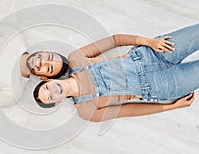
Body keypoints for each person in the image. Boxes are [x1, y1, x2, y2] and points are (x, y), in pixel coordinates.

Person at [33, 24, 198, 122]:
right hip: (163, 85)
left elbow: (115, 40)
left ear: (49, 80)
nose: (52, 91)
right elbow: (131, 110)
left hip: (153, 53)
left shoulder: (76, 59)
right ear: (56, 103)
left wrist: (149, 42)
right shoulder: (87, 111)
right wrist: (172, 106)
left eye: (47, 88)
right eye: (50, 97)